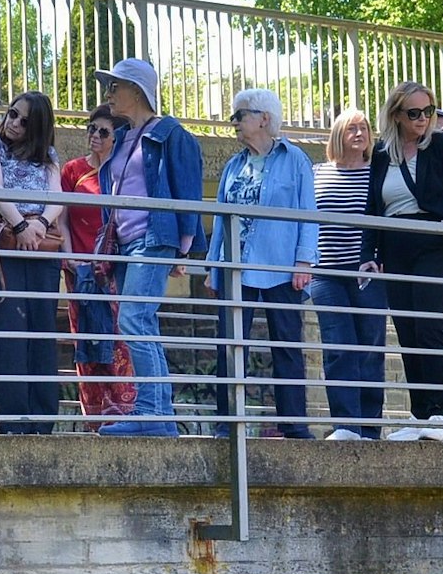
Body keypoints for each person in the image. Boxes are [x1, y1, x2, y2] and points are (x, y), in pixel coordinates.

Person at [90, 57, 204, 437]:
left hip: (154, 239)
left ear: (136, 92)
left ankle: (152, 414)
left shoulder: (171, 133)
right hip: (126, 244)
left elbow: (187, 189)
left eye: (115, 86)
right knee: (141, 322)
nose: (109, 94)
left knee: (134, 320)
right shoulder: (122, 136)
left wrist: (182, 249)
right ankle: (156, 414)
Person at [361, 81, 443, 443]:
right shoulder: (381, 153)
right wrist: (369, 256)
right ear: (395, 114)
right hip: (394, 242)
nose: (423, 119)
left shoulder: (442, 144)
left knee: (427, 326)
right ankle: (419, 413)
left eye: (429, 111)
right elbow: (372, 209)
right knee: (406, 330)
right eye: (414, 113)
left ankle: (440, 415)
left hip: (434, 239)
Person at [208, 88, 316, 438]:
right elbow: (220, 220)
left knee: (286, 345)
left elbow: (307, 214)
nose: (234, 123)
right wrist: (213, 267)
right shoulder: (233, 164)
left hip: (281, 266)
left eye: (239, 116)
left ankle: (294, 425)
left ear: (264, 119)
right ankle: (228, 423)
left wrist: (304, 261)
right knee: (231, 345)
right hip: (235, 267)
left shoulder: (295, 159)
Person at [0, 90, 64, 434]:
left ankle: (44, 421)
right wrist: (20, 224)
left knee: (42, 331)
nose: (15, 123)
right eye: (12, 113)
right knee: (10, 334)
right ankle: (16, 422)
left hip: (38, 247)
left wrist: (40, 225)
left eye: (25, 120)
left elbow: (57, 196)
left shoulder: (47, 154)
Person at [309, 109, 389, 440]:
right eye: (351, 128)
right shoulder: (317, 172)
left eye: (364, 128)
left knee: (370, 347)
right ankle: (346, 426)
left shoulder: (379, 173)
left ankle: (369, 429)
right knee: (338, 348)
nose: (359, 133)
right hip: (326, 273)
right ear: (338, 136)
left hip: (368, 272)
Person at [60, 105, 136, 426]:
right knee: (87, 343)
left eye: (103, 131)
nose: (94, 135)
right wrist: (68, 256)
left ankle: (126, 416)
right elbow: (61, 218)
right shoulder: (73, 171)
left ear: (117, 138)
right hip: (80, 272)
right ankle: (95, 419)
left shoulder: (125, 174)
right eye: (91, 128)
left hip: (115, 274)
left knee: (121, 345)